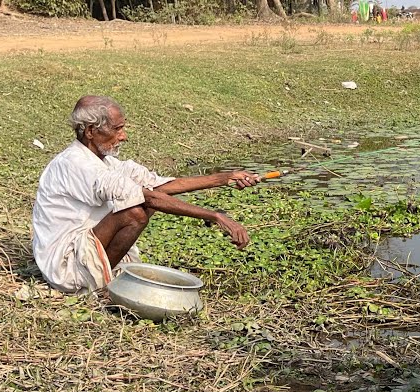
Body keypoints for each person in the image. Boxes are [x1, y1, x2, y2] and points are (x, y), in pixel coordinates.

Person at [31, 96, 258, 294]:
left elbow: (159, 187)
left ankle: (105, 275)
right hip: (66, 267)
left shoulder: (106, 163)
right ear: (90, 131)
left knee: (143, 203)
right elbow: (148, 197)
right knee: (134, 212)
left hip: (85, 250)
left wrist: (225, 178)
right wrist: (215, 216)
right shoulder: (76, 164)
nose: (123, 136)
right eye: (117, 129)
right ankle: (99, 286)